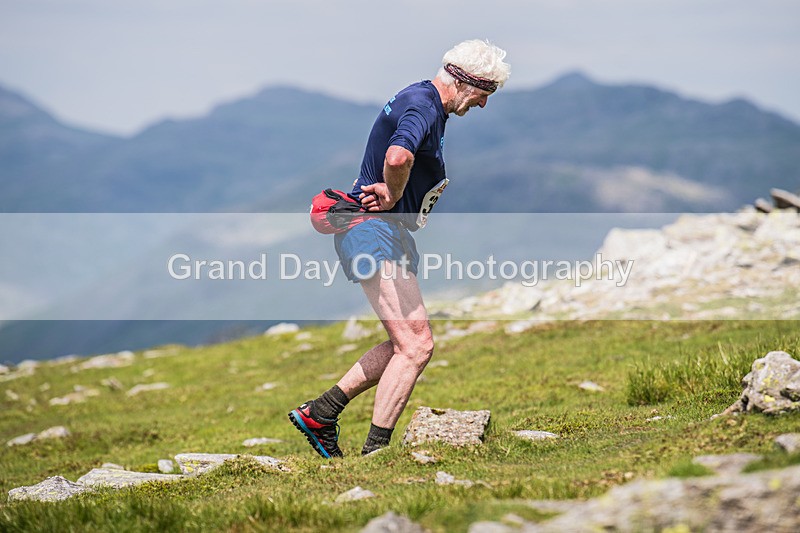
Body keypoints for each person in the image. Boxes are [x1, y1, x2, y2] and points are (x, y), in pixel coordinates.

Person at [289, 39, 511, 458]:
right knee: (417, 345)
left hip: (379, 232)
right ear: (467, 82)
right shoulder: (426, 105)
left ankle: (321, 413)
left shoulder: (422, 99)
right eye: (486, 93)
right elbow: (396, 157)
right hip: (374, 229)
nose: (483, 104)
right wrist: (392, 197)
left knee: (402, 344)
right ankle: (376, 453)